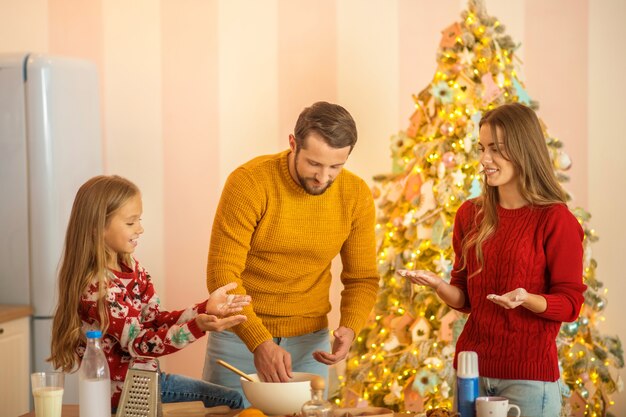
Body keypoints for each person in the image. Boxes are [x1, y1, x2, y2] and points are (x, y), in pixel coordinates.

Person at [399, 102, 587, 417]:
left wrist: (527, 299)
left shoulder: (556, 220)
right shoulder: (470, 215)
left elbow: (570, 305)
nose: (485, 159)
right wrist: (437, 285)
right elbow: (466, 299)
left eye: (496, 149)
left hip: (529, 381)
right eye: (482, 148)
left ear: (523, 151)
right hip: (472, 373)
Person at [202, 101, 379, 400]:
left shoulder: (356, 195)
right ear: (293, 144)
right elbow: (222, 274)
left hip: (311, 346)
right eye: (314, 163)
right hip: (239, 338)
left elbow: (362, 278)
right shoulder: (250, 182)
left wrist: (350, 328)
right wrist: (259, 342)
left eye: (336, 166)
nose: (324, 177)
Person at [49, 175, 251, 411]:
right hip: (129, 390)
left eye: (139, 220)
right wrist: (197, 327)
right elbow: (139, 344)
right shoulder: (99, 289)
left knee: (232, 399)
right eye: (130, 222)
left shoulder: (135, 270)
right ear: (98, 227)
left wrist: (204, 308)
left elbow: (153, 321)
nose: (140, 228)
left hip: (145, 379)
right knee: (233, 400)